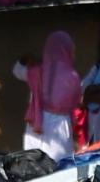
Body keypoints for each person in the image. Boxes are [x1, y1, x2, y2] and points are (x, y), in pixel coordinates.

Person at [13, 30, 82, 160]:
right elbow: (76, 102)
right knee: (59, 167)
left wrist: (25, 58)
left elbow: (17, 71)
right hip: (61, 125)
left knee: (34, 165)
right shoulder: (73, 77)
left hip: (36, 122)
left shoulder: (37, 71)